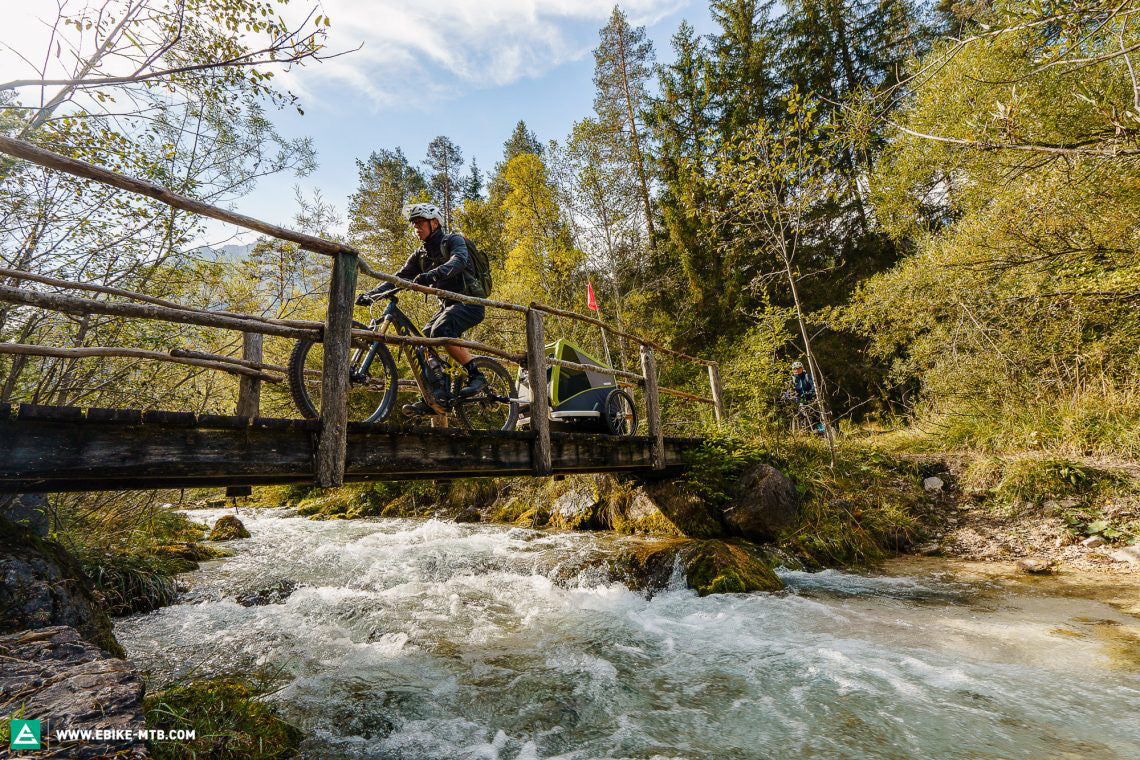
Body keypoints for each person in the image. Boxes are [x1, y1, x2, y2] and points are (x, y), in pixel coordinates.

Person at [357, 202, 486, 416]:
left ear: (434, 223)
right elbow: (399, 278)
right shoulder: (421, 255)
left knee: (440, 331)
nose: (416, 228)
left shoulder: (453, 240)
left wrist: (433, 274)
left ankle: (477, 376)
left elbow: (459, 261)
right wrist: (373, 295)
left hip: (470, 303)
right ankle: (436, 396)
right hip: (448, 306)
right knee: (421, 340)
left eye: (420, 223)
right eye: (414, 224)